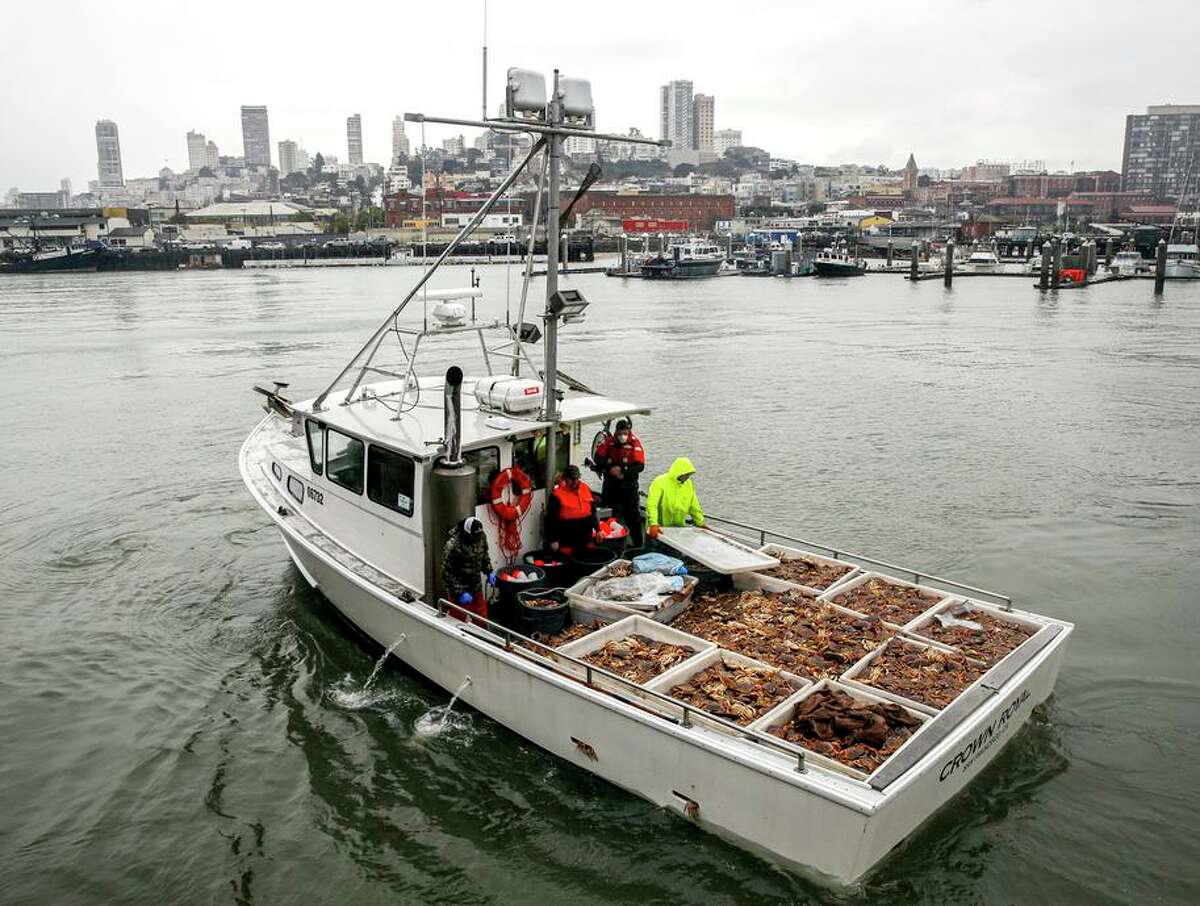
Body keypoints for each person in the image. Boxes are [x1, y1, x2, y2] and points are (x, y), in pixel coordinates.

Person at [592, 418, 646, 546]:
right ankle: (606, 542)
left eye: (625, 432)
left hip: (628, 486)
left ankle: (637, 545)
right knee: (608, 515)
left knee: (633, 518)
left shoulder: (634, 443)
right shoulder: (609, 442)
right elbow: (598, 458)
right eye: (621, 433)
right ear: (616, 432)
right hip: (611, 485)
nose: (623, 436)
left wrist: (622, 470)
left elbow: (640, 466)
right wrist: (610, 469)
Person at [441, 516, 496, 622]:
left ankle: (482, 636)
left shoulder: (481, 536)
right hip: (459, 589)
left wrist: (489, 571)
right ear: (467, 533)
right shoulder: (453, 546)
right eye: (474, 537)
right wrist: (460, 592)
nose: (477, 539)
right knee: (457, 619)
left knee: (481, 617)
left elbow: (484, 556)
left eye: (478, 536)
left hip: (476, 585)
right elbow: (446, 573)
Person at [645, 456, 706, 540]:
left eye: (689, 474)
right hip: (658, 529)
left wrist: (701, 523)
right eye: (686, 474)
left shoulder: (688, 484)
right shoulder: (659, 482)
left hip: (677, 531)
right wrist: (653, 524)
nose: (688, 477)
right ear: (680, 472)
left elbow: (694, 506)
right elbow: (652, 504)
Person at [545, 464, 597, 554]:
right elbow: (550, 519)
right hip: (567, 539)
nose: (575, 482)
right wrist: (553, 540)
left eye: (577, 478)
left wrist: (598, 529)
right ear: (565, 478)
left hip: (586, 537)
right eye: (572, 479)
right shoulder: (557, 495)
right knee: (569, 564)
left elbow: (593, 511)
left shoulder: (585, 488)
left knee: (588, 559)